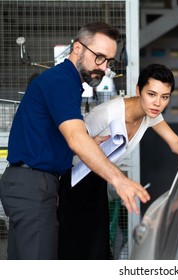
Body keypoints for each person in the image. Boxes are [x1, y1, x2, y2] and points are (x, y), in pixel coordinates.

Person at [0, 22, 150, 260]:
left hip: (32, 183)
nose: (103, 67)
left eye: (109, 61)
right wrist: (118, 180)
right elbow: (75, 138)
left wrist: (92, 141)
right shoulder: (61, 82)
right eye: (99, 57)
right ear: (78, 48)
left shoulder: (65, 82)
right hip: (32, 184)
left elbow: (56, 134)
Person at [57, 63, 178, 260]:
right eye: (151, 94)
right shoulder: (107, 113)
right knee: (70, 248)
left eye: (165, 97)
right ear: (138, 90)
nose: (157, 103)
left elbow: (176, 143)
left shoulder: (151, 115)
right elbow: (67, 145)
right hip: (73, 180)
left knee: (98, 250)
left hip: (98, 181)